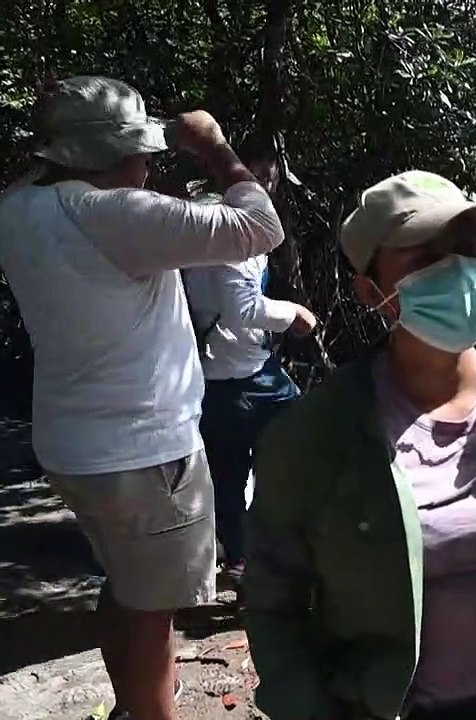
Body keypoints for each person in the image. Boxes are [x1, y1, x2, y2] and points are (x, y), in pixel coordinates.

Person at [244, 171, 476, 720]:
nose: (458, 269)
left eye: (467, 248)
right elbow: (275, 604)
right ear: (372, 292)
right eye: (425, 259)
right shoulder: (314, 435)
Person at [0, 76, 283, 720]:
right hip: (145, 452)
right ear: (107, 155)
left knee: (125, 587)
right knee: (155, 611)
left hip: (73, 446)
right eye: (141, 151)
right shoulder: (113, 213)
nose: (149, 164)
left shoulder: (17, 205)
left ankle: (132, 704)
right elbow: (260, 226)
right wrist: (216, 149)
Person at [183, 139, 317, 584]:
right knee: (294, 451)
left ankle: (242, 557)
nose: (265, 188)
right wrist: (293, 313)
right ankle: (268, 555)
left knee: (227, 468)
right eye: (257, 178)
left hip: (212, 371)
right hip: (243, 372)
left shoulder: (198, 224)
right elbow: (243, 307)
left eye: (270, 180)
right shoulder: (236, 235)